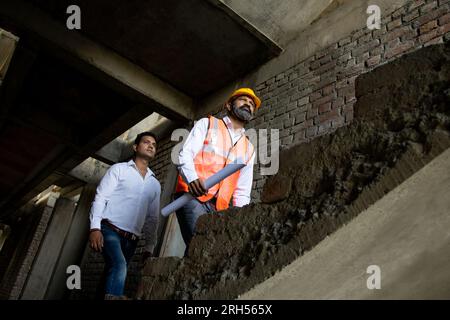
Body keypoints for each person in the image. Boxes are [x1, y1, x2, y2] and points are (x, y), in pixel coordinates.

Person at [175, 88, 261, 255]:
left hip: (219, 207)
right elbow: (185, 154)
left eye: (251, 104)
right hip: (192, 196)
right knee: (200, 245)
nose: (248, 105)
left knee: (207, 251)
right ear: (228, 105)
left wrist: (239, 218)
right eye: (243, 100)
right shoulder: (208, 124)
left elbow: (242, 191)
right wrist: (192, 179)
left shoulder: (249, 149)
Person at [89, 131, 160, 300]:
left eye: (154, 144)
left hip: (131, 240)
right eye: (146, 142)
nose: (151, 145)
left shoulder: (154, 184)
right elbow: (101, 197)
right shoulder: (118, 169)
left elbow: (152, 219)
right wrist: (94, 228)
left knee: (112, 273)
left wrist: (149, 247)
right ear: (135, 147)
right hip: (110, 230)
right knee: (119, 266)